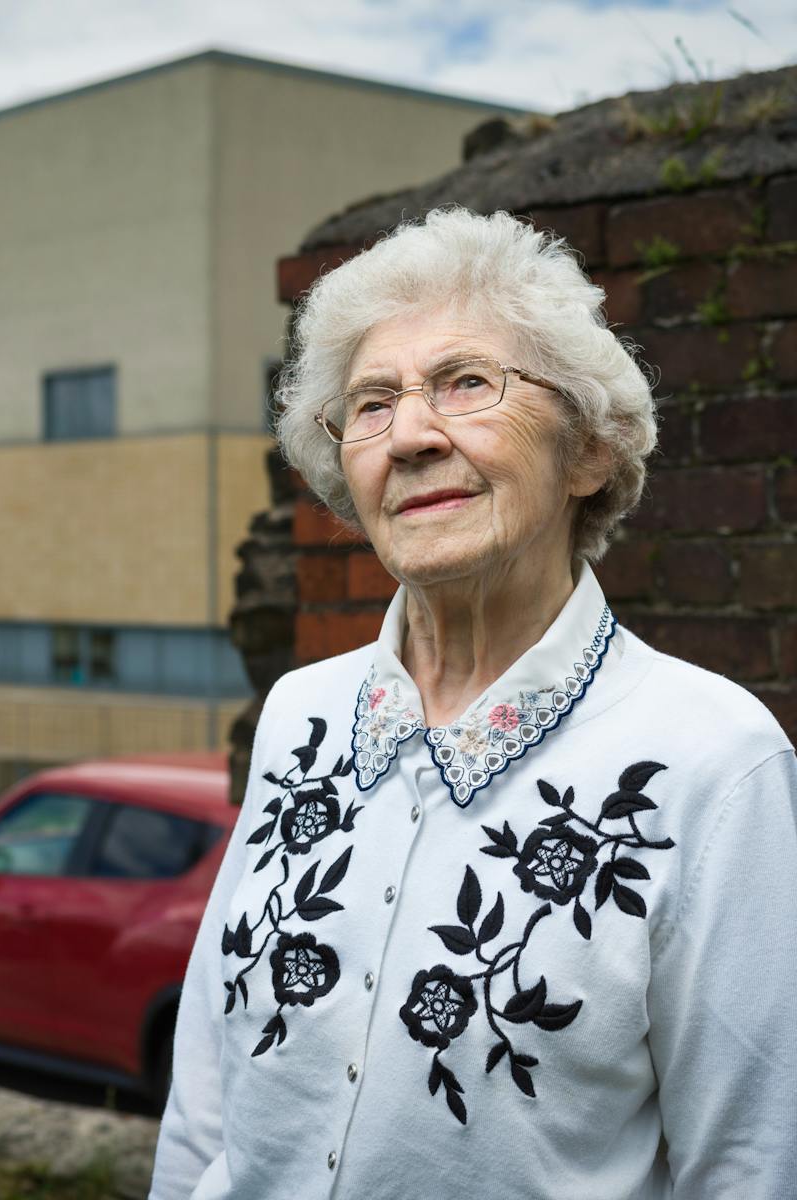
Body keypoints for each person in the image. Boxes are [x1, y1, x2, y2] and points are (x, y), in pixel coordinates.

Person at [149, 207, 797, 1199]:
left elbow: (751, 1165)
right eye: (370, 404)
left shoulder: (711, 760)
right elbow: (206, 1095)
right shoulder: (300, 715)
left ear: (589, 451)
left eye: (466, 384)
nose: (409, 435)